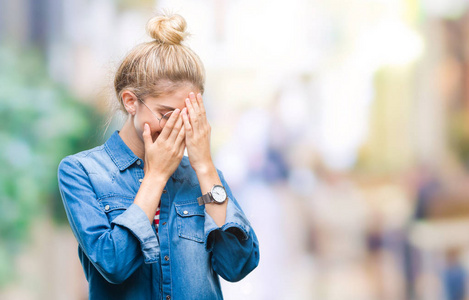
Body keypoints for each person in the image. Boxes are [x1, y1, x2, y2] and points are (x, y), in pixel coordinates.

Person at [57, 13, 259, 300]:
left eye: (188, 116)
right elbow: (114, 264)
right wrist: (156, 176)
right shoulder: (82, 172)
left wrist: (204, 166)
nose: (178, 125)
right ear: (130, 101)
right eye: (167, 114)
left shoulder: (204, 180)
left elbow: (237, 265)